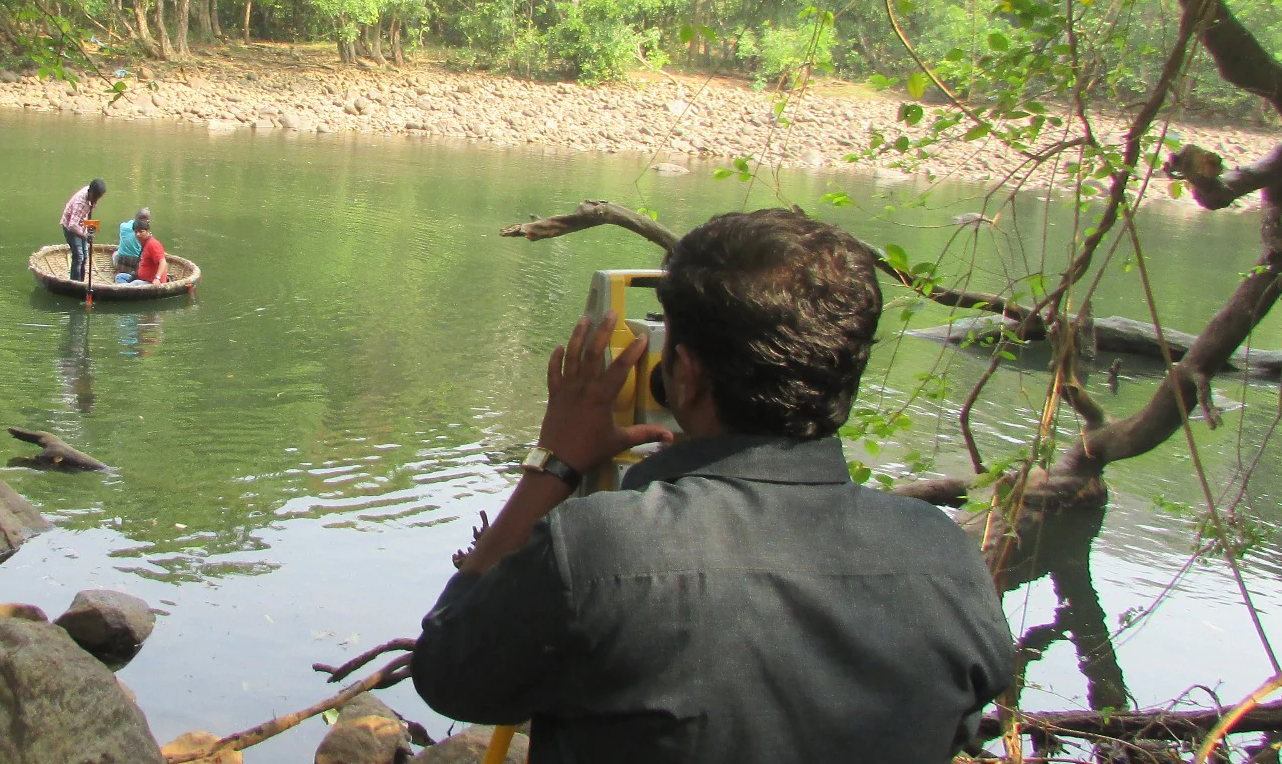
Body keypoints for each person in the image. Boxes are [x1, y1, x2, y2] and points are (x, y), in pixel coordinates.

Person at [412, 209, 1013, 763]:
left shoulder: (601, 550)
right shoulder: (945, 559)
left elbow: (447, 674)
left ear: (688, 375)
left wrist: (557, 466)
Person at [59, 178, 105, 284]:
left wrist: (89, 225)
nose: (96, 200)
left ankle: (82, 281)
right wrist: (86, 237)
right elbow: (72, 226)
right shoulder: (80, 202)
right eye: (95, 198)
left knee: (85, 255)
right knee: (79, 256)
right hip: (71, 228)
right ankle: (75, 283)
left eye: (99, 198)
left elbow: (89, 209)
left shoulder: (91, 195)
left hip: (81, 224)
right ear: (90, 192)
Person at [114, 208, 151, 278]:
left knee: (115, 254)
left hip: (122, 261)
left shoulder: (123, 226)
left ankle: (121, 271)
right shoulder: (146, 235)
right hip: (136, 264)